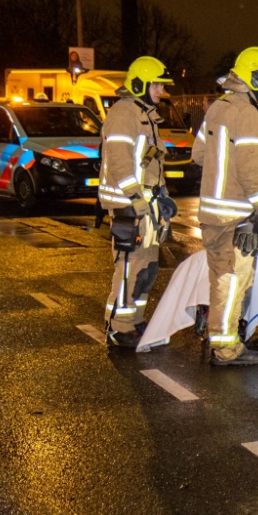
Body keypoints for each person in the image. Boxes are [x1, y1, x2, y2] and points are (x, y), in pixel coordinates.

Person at [193, 47, 258, 366]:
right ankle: (226, 349)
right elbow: (249, 174)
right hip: (234, 216)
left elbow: (199, 155)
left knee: (221, 279)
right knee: (234, 280)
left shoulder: (217, 108)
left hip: (210, 215)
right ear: (256, 77)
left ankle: (220, 340)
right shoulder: (248, 115)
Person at [99, 56, 177, 350]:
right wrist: (135, 200)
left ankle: (134, 321)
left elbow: (152, 162)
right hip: (127, 204)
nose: (161, 90)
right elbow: (120, 163)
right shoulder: (123, 114)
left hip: (145, 201)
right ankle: (118, 327)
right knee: (130, 266)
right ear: (140, 83)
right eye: (156, 84)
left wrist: (163, 195)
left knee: (147, 267)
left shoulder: (145, 114)